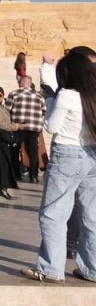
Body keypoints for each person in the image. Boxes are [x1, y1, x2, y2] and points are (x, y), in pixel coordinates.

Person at [22, 50, 96, 283]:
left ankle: (50, 268)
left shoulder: (66, 95)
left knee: (53, 213)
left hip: (67, 154)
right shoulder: (92, 94)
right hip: (91, 154)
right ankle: (92, 268)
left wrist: (50, 99)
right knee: (91, 215)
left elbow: (51, 126)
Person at [7, 77, 47, 183]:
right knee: (33, 151)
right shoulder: (39, 96)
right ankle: (33, 175)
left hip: (18, 126)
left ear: (21, 83)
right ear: (30, 84)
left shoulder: (14, 93)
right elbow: (44, 110)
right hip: (34, 127)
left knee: (15, 150)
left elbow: (7, 110)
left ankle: (16, 174)